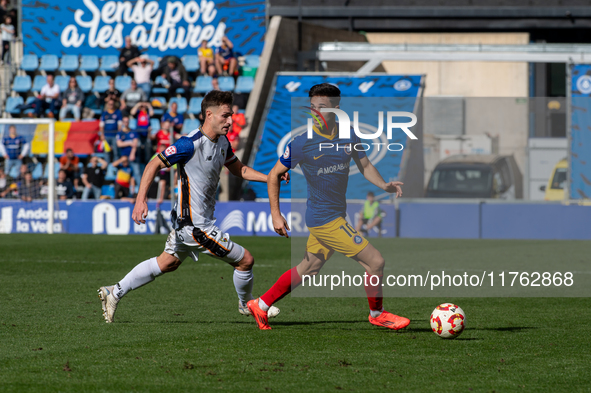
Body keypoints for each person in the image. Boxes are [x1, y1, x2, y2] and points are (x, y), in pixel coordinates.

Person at [97, 90, 287, 323]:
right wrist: (141, 199)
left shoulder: (223, 142)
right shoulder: (190, 144)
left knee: (168, 262)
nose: (230, 121)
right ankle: (248, 305)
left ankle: (113, 292)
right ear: (209, 114)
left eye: (232, 115)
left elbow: (240, 170)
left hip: (193, 222)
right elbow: (154, 163)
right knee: (245, 260)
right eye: (225, 116)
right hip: (194, 226)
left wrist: (271, 177)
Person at [246, 83, 410, 331]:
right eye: (312, 107)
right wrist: (275, 215)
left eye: (322, 107)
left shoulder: (349, 134)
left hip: (335, 215)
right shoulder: (302, 143)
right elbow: (273, 175)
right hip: (325, 220)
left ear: (336, 109)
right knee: (375, 262)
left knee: (308, 268)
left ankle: (261, 304)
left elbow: (365, 166)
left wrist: (384, 185)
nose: (315, 112)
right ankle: (377, 313)